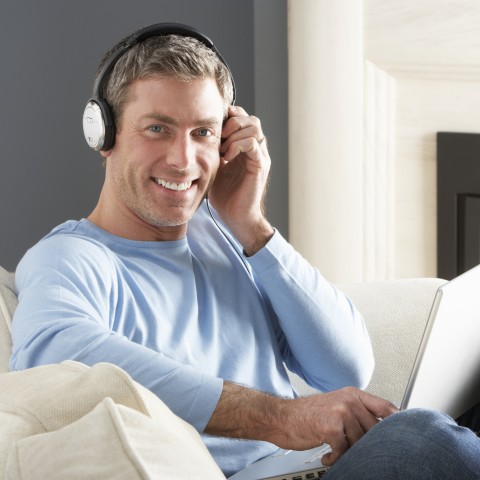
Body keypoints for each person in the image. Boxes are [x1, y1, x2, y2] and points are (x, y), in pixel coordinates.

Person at [9, 23, 480, 479]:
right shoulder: (73, 256)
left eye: (204, 133)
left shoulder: (228, 238)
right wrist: (282, 418)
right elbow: (54, 356)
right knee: (421, 439)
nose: (183, 158)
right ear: (103, 134)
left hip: (307, 468)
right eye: (157, 129)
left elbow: (348, 367)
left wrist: (252, 225)